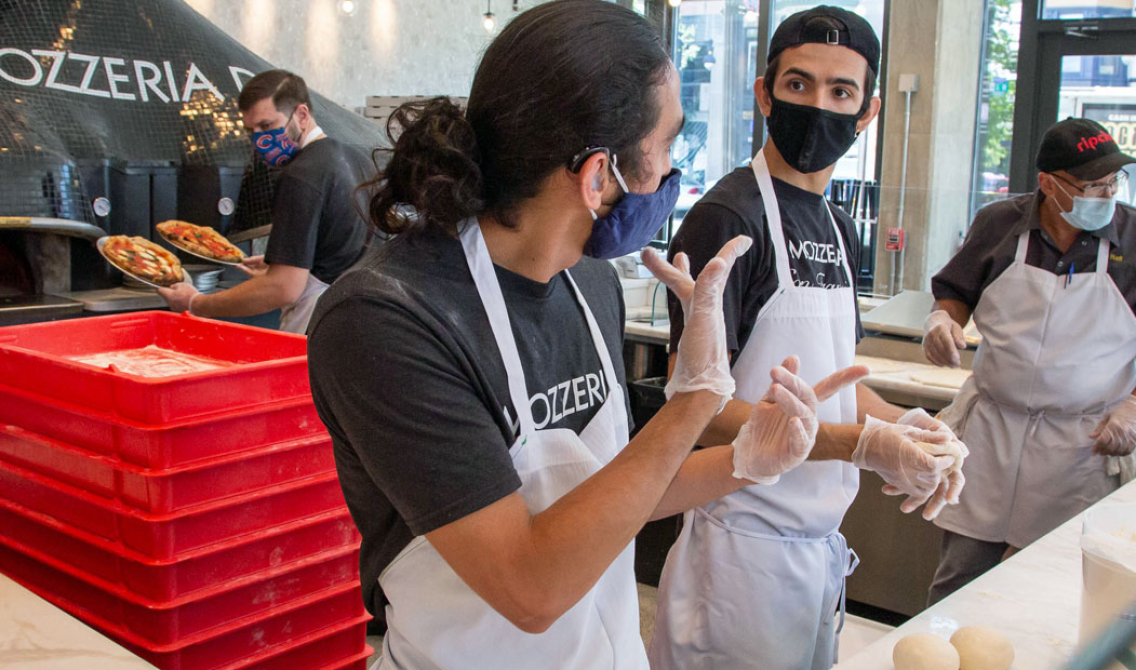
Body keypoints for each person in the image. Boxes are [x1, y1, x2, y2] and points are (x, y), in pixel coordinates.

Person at [305, 2, 865, 668]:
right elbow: (530, 587)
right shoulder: (388, 319)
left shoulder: (588, 281)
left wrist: (744, 460)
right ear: (599, 175)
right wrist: (693, 400)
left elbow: (617, 490)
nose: (670, 172)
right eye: (666, 148)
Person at [650, 8, 966, 670]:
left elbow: (838, 379)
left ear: (868, 110)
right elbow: (694, 411)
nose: (818, 107)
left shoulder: (839, 225)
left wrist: (907, 426)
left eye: (840, 93)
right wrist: (859, 445)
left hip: (818, 548)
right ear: (765, 93)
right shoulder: (727, 219)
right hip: (739, 553)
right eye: (799, 85)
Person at [922, 118, 1136, 605]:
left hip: (1082, 446)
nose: (1105, 195)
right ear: (1049, 184)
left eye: (1113, 183)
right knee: (958, 582)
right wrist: (943, 322)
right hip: (992, 434)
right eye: (1092, 185)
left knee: (1051, 593)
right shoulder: (999, 224)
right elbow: (954, 292)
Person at [157, 69, 376, 334]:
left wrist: (196, 302)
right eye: (251, 131)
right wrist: (285, 258)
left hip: (316, 327)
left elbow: (283, 288)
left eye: (267, 126)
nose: (259, 140)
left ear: (302, 115)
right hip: (359, 323)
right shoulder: (355, 159)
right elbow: (342, 245)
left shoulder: (300, 176)